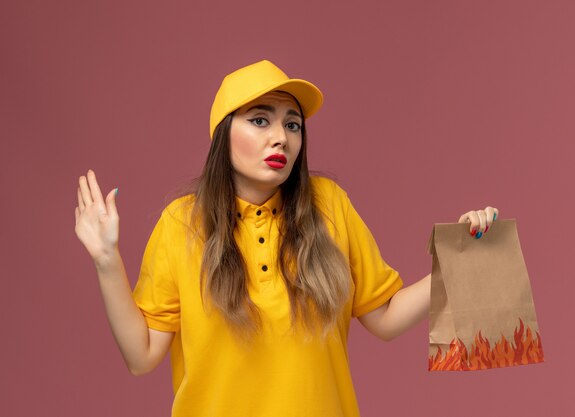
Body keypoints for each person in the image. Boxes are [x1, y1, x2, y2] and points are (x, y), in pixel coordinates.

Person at [74, 60, 499, 417]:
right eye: (260, 120)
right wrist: (106, 260)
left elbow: (385, 317)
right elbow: (141, 355)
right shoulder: (181, 222)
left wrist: (461, 257)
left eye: (292, 124)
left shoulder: (329, 206)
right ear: (224, 133)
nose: (281, 136)